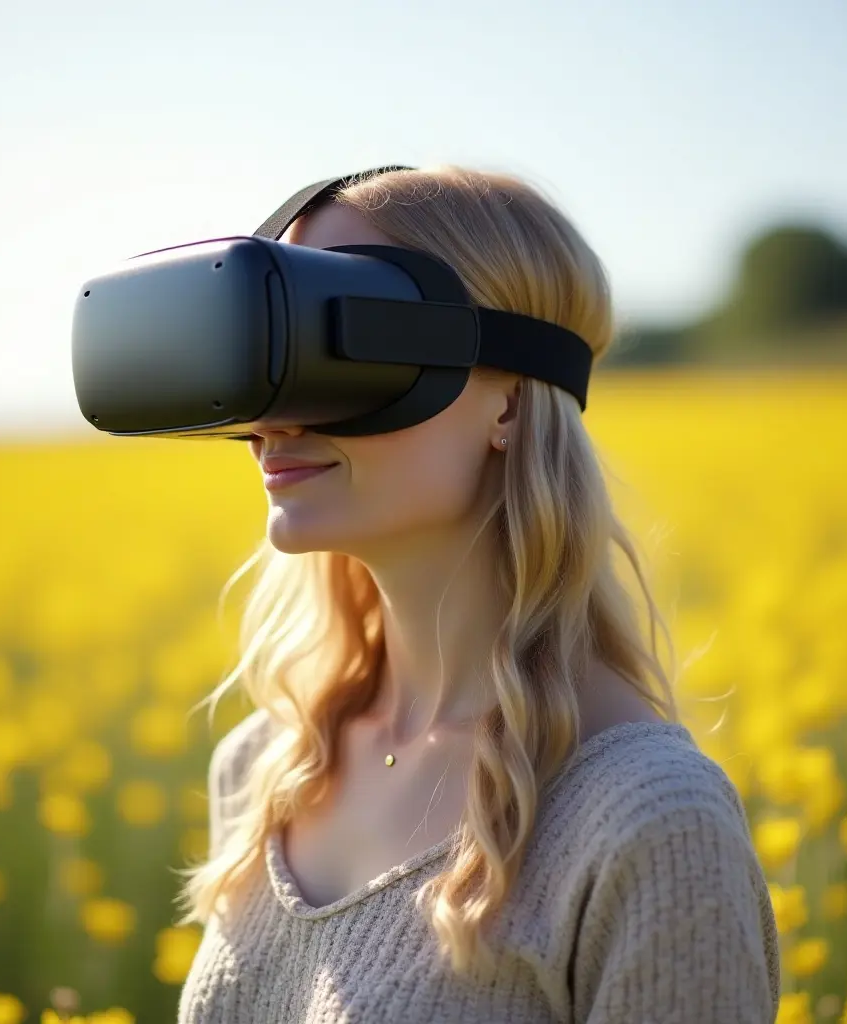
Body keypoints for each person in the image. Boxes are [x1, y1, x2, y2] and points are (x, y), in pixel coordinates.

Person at [175, 164, 781, 1023]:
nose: (276, 420)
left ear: (507, 403)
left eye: (337, 348)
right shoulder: (264, 766)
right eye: (270, 359)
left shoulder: (649, 822)